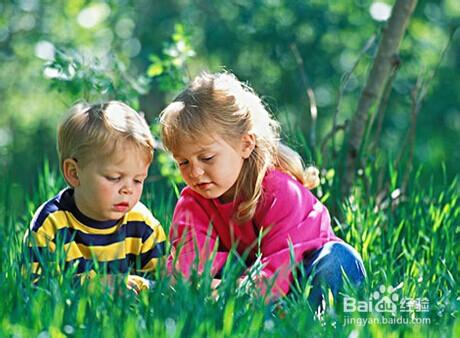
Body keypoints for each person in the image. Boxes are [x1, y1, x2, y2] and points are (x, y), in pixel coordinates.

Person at [160, 71, 366, 306]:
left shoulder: (280, 192)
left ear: (245, 144)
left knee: (340, 259)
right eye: (183, 162)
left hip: (295, 277)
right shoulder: (192, 202)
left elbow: (283, 264)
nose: (194, 172)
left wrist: (236, 293)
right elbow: (187, 266)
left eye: (206, 158)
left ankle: (298, 321)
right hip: (245, 285)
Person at [26, 101, 167, 293]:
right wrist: (92, 287)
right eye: (114, 178)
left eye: (138, 180)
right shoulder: (51, 225)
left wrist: (141, 287)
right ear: (74, 173)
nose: (128, 190)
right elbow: (34, 289)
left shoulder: (142, 224)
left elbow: (166, 288)